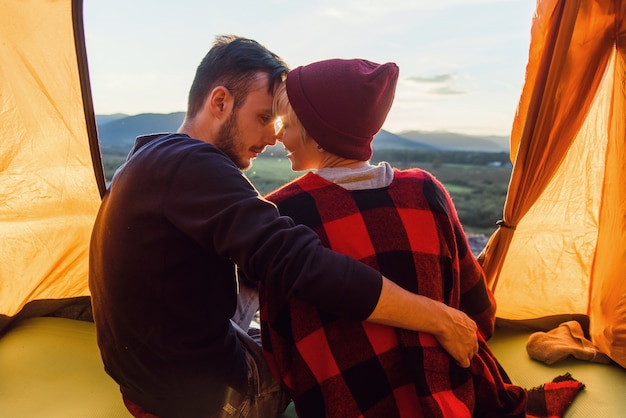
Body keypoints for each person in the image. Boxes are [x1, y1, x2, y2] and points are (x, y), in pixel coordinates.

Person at [88, 36, 479, 418]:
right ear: (220, 102)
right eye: (263, 118)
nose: (274, 136)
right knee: (333, 346)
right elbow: (300, 263)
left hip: (149, 376)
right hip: (202, 397)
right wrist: (440, 318)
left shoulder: (148, 159)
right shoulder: (193, 165)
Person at [260, 58, 528, 417]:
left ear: (318, 131)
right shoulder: (426, 191)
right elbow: (478, 311)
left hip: (349, 404)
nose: (279, 137)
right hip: (451, 398)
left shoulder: (282, 212)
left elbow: (279, 345)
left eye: (287, 125)